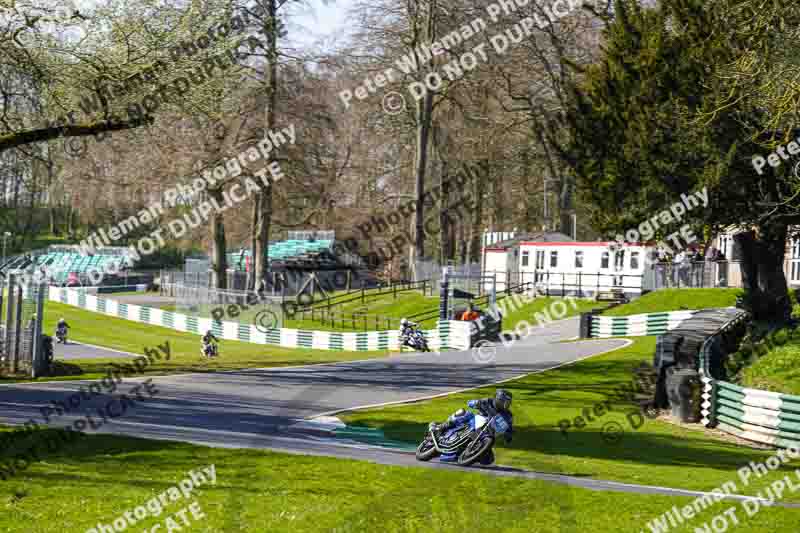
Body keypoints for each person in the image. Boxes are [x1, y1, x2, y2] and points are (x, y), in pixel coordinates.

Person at [430, 389, 514, 465]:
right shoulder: (488, 401)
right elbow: (470, 402)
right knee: (465, 413)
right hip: (478, 421)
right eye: (504, 402)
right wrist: (476, 403)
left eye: (508, 403)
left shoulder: (508, 415)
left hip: (489, 431)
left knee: (489, 460)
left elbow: (509, 426)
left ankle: (467, 453)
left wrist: (509, 434)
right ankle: (440, 427)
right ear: (498, 399)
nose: (506, 405)